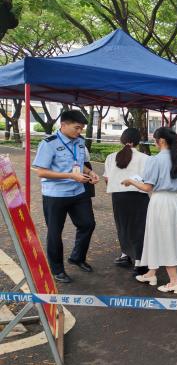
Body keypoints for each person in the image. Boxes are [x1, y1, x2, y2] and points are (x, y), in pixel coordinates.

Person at [32, 110, 99, 283]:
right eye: (77, 127)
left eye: (82, 128)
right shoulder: (49, 143)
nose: (80, 131)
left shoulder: (80, 142)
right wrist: (70, 176)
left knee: (88, 224)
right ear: (63, 125)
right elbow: (41, 172)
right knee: (55, 233)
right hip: (55, 195)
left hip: (78, 192)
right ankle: (57, 269)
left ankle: (77, 258)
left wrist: (90, 172)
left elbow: (80, 164)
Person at [122, 127, 177, 294]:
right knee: (161, 236)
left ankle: (174, 281)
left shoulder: (155, 160)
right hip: (173, 201)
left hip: (160, 201)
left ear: (161, 141)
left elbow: (147, 187)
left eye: (155, 140)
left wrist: (131, 181)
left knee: (163, 238)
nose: (154, 142)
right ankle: (151, 273)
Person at [104, 128, 150, 275]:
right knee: (139, 228)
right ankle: (140, 262)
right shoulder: (145, 158)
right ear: (138, 141)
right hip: (139, 196)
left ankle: (125, 255)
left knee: (122, 226)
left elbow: (107, 179)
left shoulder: (111, 157)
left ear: (121, 140)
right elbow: (149, 180)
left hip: (118, 197)